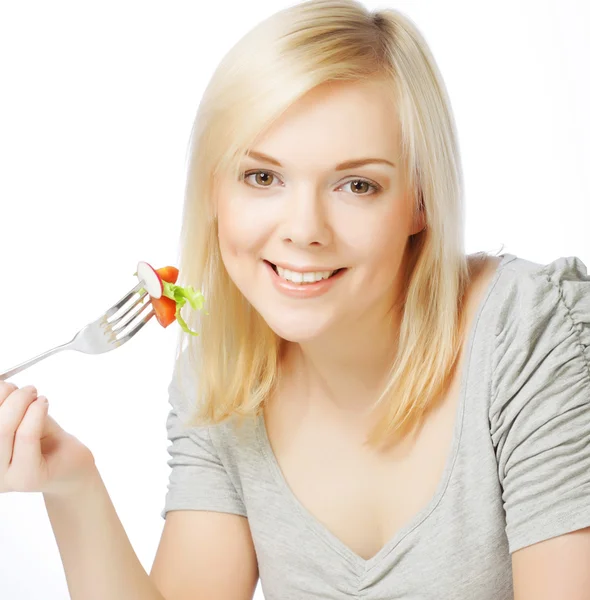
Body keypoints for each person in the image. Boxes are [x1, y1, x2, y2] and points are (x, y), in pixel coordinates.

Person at [1, 1, 589, 599]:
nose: (304, 229)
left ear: (420, 201)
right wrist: (71, 485)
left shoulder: (534, 335)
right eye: (263, 177)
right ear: (214, 189)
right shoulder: (224, 378)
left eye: (356, 184)